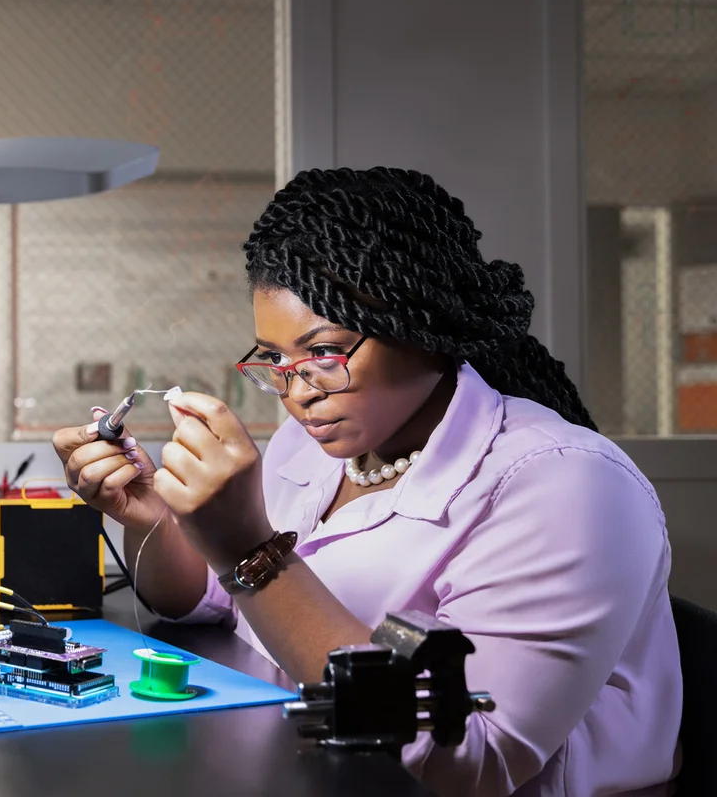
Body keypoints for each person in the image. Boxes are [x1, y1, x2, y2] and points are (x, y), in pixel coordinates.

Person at [53, 167, 682, 797]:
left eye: (324, 354)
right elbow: (210, 600)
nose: (298, 392)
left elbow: (469, 760)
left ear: (423, 323)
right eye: (276, 360)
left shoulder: (567, 484)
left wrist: (250, 550)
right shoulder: (317, 445)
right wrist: (158, 516)